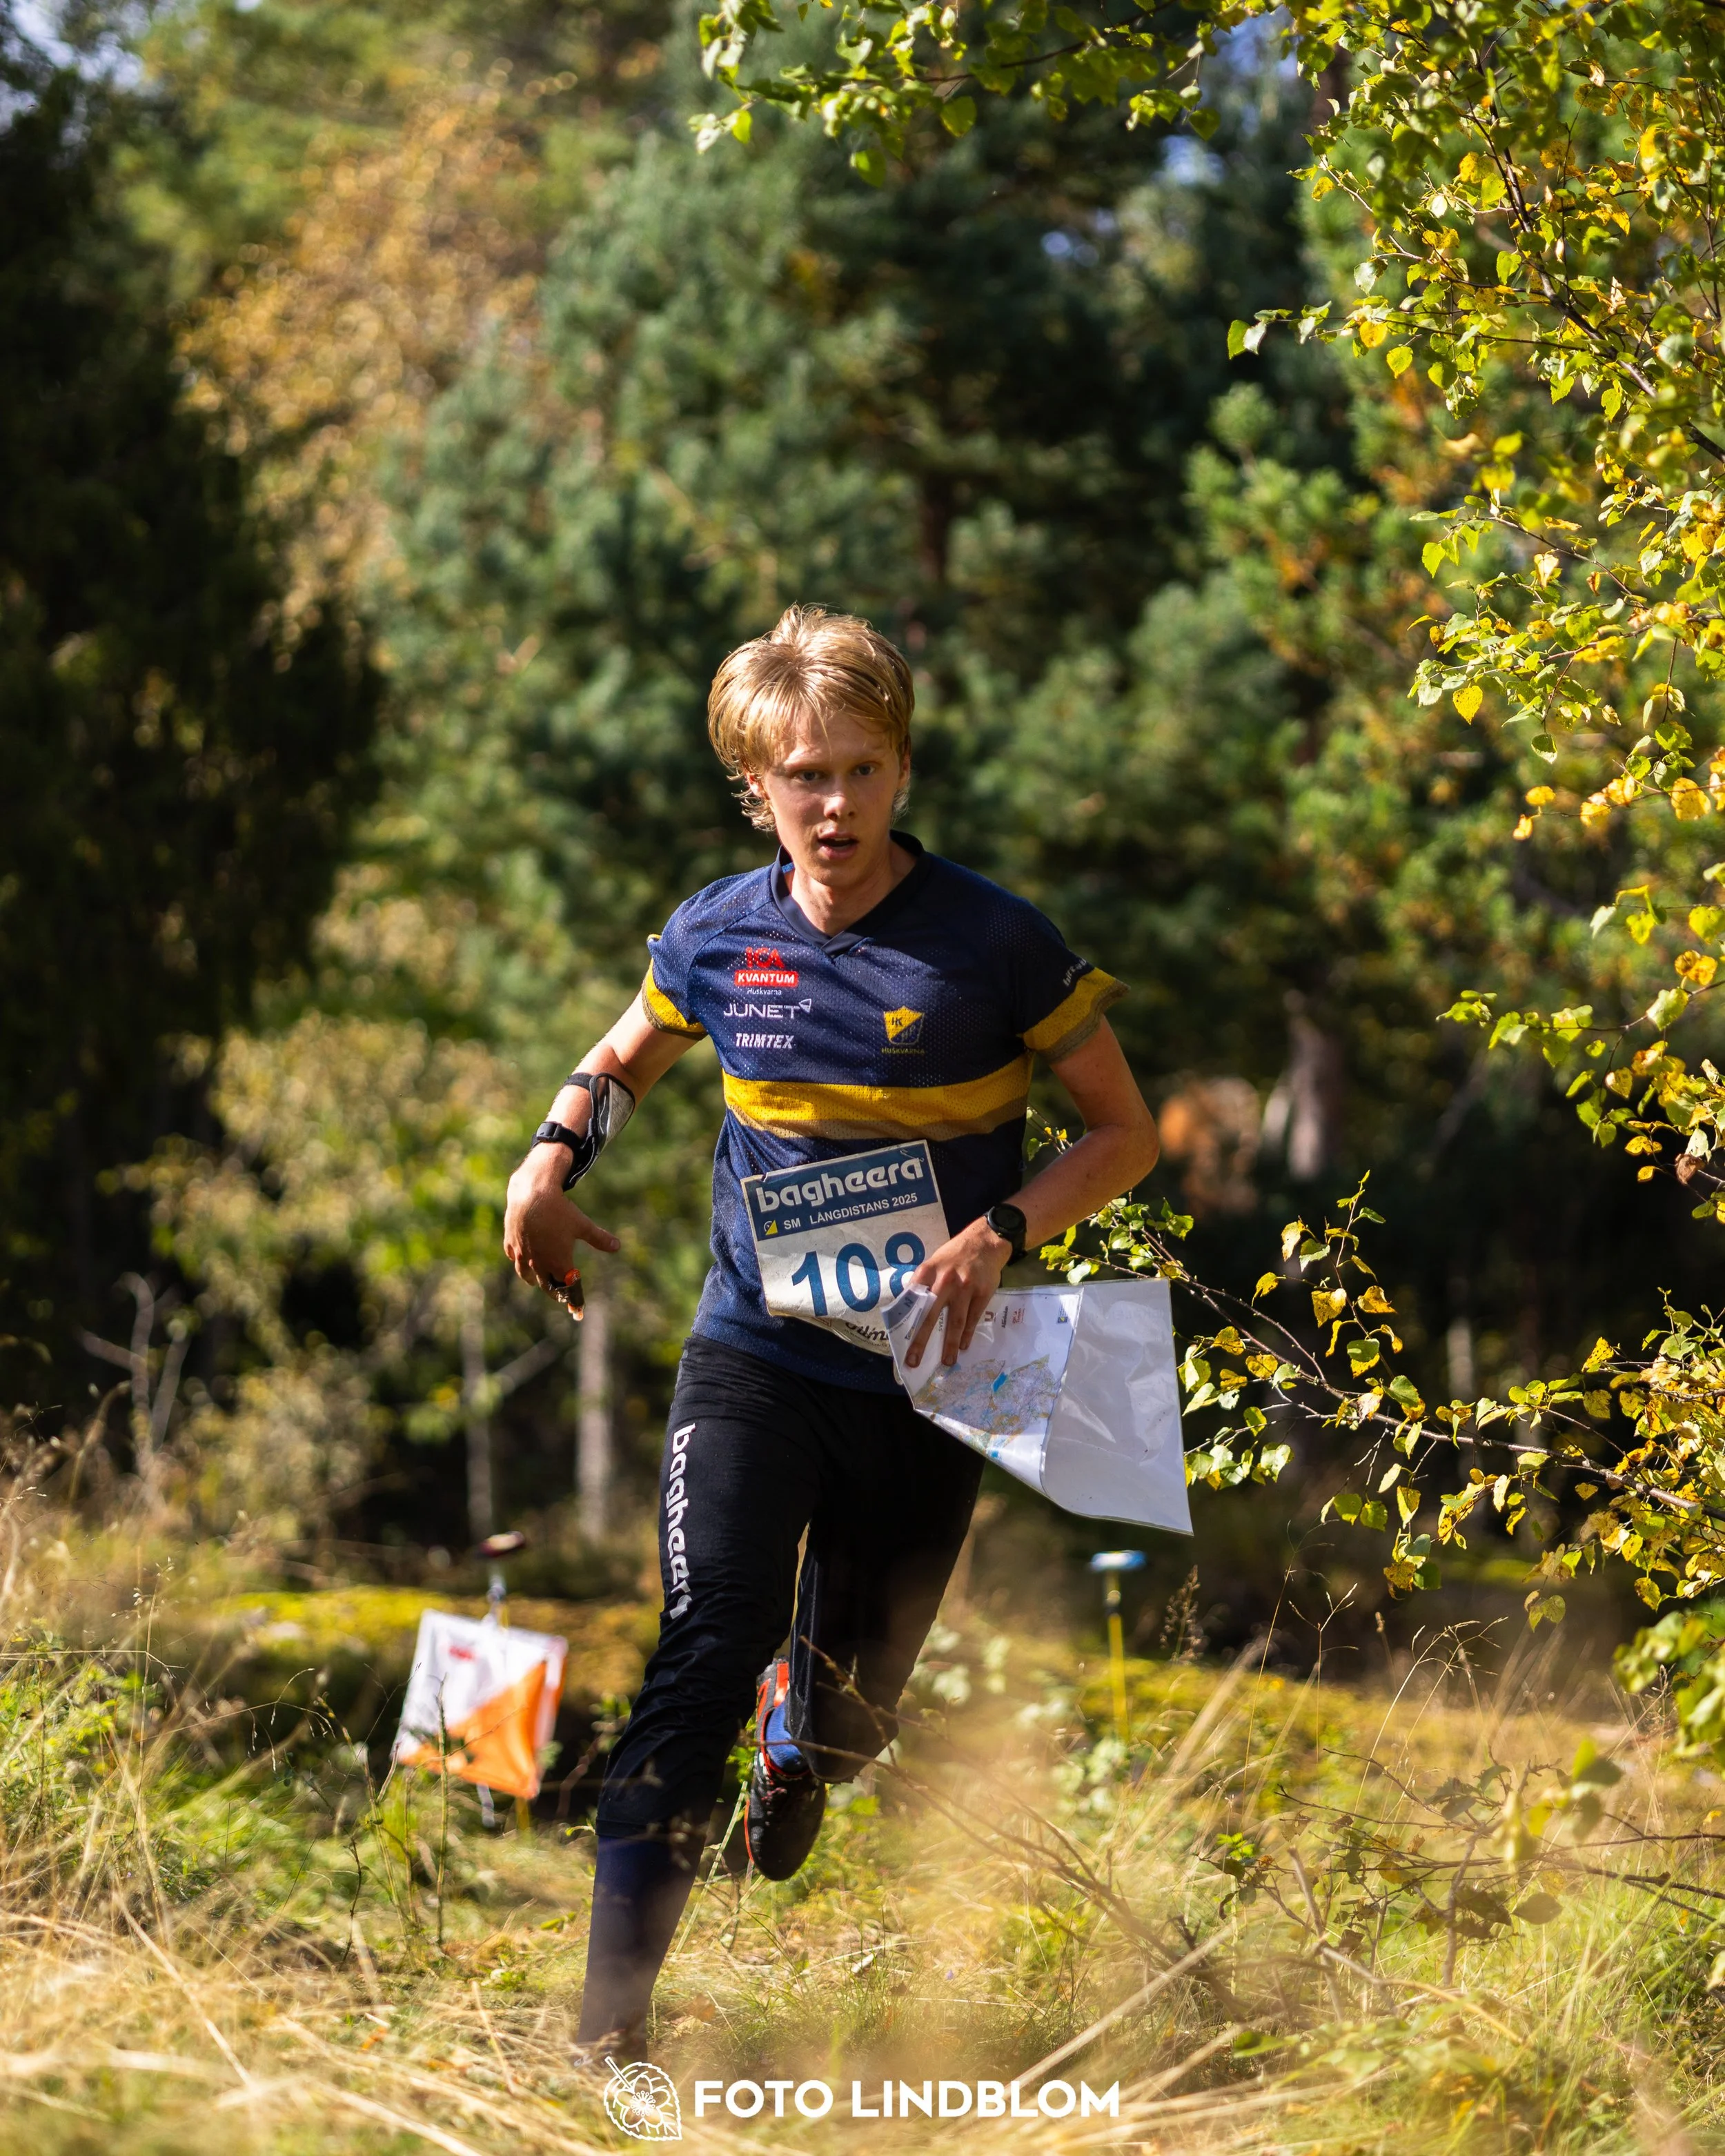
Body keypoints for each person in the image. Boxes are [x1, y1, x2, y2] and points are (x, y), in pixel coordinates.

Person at [502, 606, 1160, 2056]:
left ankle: (804, 1733)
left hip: (935, 1378)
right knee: (700, 1653)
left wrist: (1000, 1232)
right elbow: (623, 1057)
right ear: (757, 784)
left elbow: (1126, 1132)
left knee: (853, 1721)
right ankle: (609, 2040)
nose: (836, 805)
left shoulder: (994, 942)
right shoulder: (716, 933)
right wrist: (547, 1163)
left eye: (863, 770)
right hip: (755, 1355)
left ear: (903, 770)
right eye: (804, 775)